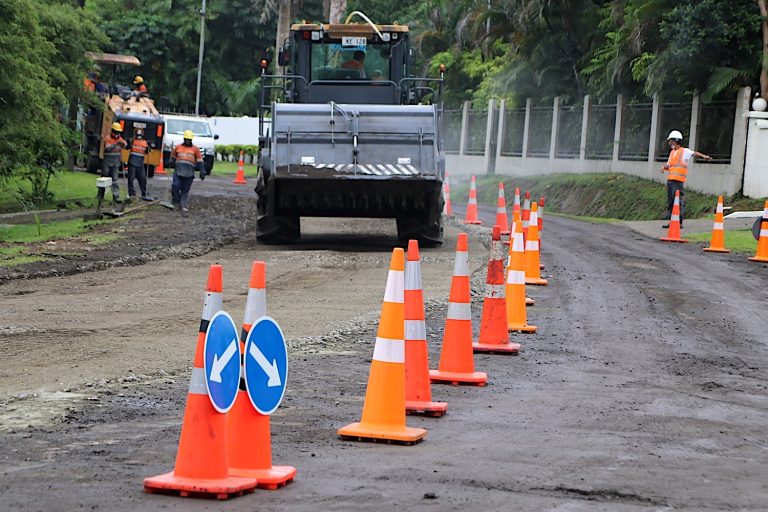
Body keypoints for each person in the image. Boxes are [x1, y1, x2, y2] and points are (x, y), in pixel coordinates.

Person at [660, 130, 712, 228]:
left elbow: (694, 153)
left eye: (670, 141)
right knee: (671, 201)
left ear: (675, 140)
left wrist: (704, 156)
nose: (669, 143)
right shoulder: (672, 153)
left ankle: (679, 222)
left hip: (678, 181)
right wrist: (664, 168)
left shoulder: (684, 151)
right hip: (670, 181)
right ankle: (671, 221)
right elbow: (669, 165)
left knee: (678, 201)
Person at [168, 130, 205, 212]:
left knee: (185, 190)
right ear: (184, 139)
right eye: (186, 139)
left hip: (189, 173)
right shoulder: (178, 147)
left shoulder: (195, 149)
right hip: (178, 171)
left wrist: (202, 171)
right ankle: (176, 201)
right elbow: (172, 157)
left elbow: (200, 161)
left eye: (189, 139)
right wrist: (171, 161)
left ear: (191, 139)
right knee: (175, 186)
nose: (187, 141)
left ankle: (183, 204)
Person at [102, 122, 127, 209]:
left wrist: (123, 144)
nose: (117, 134)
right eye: (116, 132)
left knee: (115, 179)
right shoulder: (108, 138)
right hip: (107, 162)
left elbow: (125, 145)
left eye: (118, 132)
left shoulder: (120, 138)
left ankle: (116, 196)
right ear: (112, 131)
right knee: (104, 178)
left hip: (116, 162)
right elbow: (107, 149)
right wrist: (115, 144)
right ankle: (101, 194)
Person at [126, 128, 153, 201]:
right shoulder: (132, 140)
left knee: (143, 179)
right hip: (132, 162)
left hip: (140, 163)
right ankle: (131, 193)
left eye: (140, 134)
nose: (139, 135)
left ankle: (144, 193)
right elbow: (127, 148)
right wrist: (128, 143)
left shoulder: (145, 142)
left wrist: (149, 146)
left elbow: (147, 152)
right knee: (131, 179)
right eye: (137, 134)